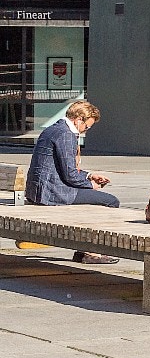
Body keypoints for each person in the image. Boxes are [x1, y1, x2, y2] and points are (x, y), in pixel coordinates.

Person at [25, 100, 119, 265]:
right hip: (52, 193)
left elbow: (63, 168)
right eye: (87, 127)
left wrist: (89, 175)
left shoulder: (52, 129)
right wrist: (91, 185)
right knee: (110, 201)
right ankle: (91, 252)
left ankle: (85, 250)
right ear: (79, 119)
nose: (86, 131)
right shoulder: (66, 135)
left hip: (40, 190)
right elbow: (70, 175)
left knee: (93, 199)